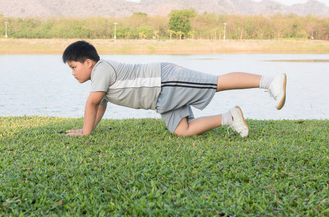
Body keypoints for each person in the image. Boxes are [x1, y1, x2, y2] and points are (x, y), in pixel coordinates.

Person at [62, 40, 287, 138]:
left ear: (88, 62)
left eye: (74, 67)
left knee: (215, 83)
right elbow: (99, 108)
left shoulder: (101, 68)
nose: (72, 73)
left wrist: (86, 133)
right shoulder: (99, 82)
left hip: (166, 81)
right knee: (182, 130)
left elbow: (92, 103)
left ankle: (269, 81)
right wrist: (87, 129)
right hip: (161, 99)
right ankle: (229, 118)